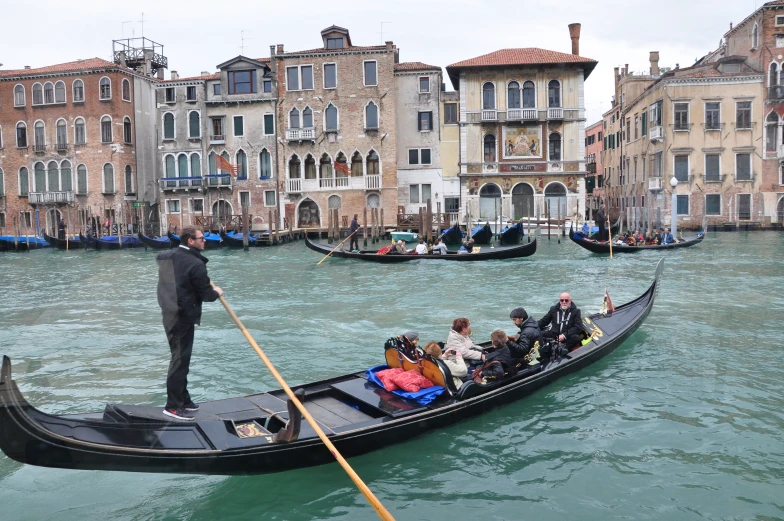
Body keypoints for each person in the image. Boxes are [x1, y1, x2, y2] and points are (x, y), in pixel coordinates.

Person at [157, 226, 224, 421]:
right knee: (179, 361)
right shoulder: (196, 265)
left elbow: (165, 263)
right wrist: (217, 292)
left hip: (169, 312)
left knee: (181, 359)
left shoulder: (168, 256)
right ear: (190, 241)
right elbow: (207, 295)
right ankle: (173, 407)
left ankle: (184, 399)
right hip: (182, 317)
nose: (205, 241)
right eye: (201, 238)